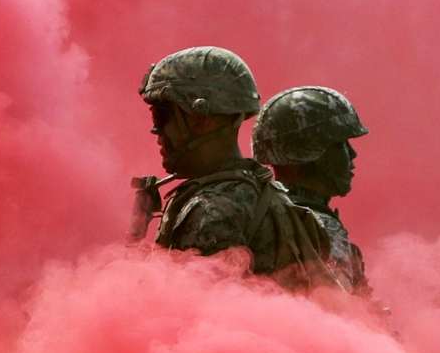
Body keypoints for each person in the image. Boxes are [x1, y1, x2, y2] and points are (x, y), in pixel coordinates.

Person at [133, 47, 340, 288]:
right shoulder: (266, 193)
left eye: (161, 117)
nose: (156, 132)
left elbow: (191, 313)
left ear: (199, 119)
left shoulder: (211, 209)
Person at [251, 86, 370, 294]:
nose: (352, 154)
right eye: (338, 145)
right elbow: (339, 314)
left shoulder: (262, 211)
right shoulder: (317, 227)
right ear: (307, 153)